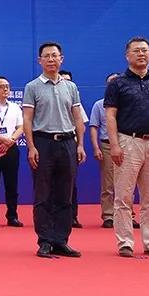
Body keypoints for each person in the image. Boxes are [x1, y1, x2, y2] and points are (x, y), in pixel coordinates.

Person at [105, 37, 149, 258]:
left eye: (145, 50)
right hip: (128, 142)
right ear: (127, 56)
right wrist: (114, 144)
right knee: (123, 196)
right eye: (136, 51)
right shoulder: (117, 83)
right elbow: (110, 115)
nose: (141, 54)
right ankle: (125, 242)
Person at [22, 44, 86, 258]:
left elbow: (78, 117)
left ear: (61, 59)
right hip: (43, 142)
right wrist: (31, 146)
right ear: (39, 60)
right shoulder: (32, 87)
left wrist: (80, 144)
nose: (51, 59)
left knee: (65, 194)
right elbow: (27, 120)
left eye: (54, 55)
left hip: (67, 143)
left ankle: (61, 240)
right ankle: (45, 240)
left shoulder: (71, 87)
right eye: (46, 56)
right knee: (43, 194)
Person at [0, 76, 24, 228]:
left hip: (10, 148)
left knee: (11, 184)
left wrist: (11, 141)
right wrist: (1, 139)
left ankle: (12, 216)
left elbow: (21, 126)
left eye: (7, 86)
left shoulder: (14, 107)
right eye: (1, 86)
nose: (6, 89)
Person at [88, 73, 121, 228]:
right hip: (107, 145)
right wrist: (96, 148)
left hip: (127, 144)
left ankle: (127, 215)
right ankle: (108, 215)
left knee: (127, 183)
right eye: (110, 83)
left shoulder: (129, 103)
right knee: (108, 183)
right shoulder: (99, 105)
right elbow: (94, 127)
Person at [59, 70, 87, 228]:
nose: (65, 82)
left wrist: (80, 145)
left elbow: (80, 123)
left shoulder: (74, 99)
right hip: (49, 144)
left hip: (70, 144)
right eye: (63, 80)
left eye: (68, 80)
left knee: (70, 183)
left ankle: (72, 217)